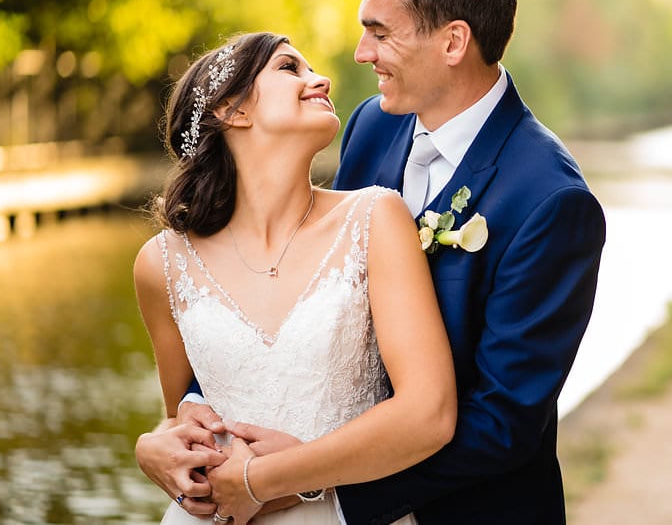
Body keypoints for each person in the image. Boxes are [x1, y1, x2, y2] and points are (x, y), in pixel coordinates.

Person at [141, 0, 607, 523]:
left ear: (453, 42)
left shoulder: (550, 200)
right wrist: (178, 426)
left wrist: (309, 484)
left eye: (380, 32)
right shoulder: (373, 124)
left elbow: (502, 423)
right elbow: (294, 313)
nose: (361, 53)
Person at [132, 31, 456, 524]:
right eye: (290, 68)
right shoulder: (162, 264)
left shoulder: (375, 219)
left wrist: (271, 479)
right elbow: (186, 414)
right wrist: (152, 446)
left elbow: (427, 414)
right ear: (231, 110)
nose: (320, 79)